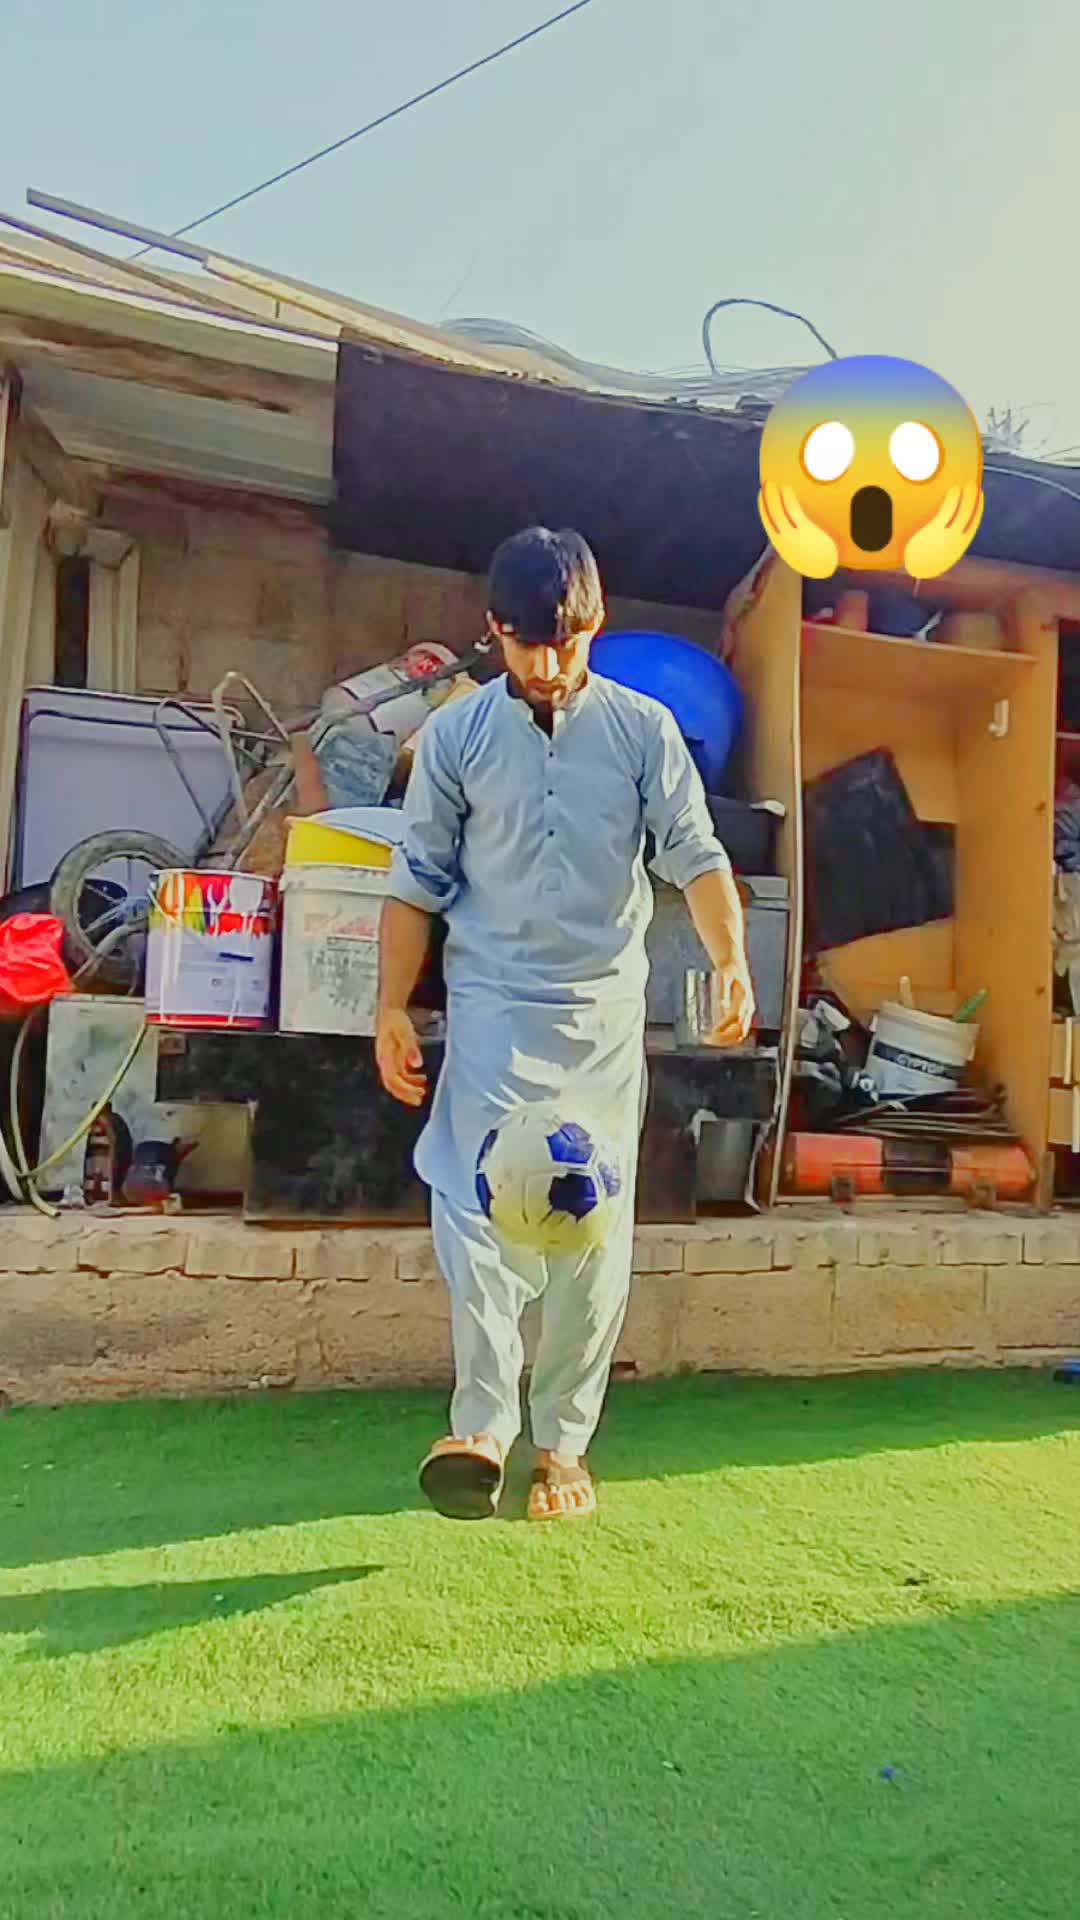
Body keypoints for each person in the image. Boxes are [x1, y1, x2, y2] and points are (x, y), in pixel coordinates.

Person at [375, 527, 753, 1523]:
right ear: (494, 630)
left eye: (570, 643)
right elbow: (415, 882)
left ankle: (564, 1446)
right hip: (492, 1009)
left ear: (597, 625)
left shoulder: (643, 730)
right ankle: (481, 1428)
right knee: (475, 1212)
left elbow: (695, 853)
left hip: (599, 1017)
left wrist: (730, 961)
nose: (550, 666)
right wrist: (389, 1007)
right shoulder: (455, 738)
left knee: (590, 1227)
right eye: (529, 644)